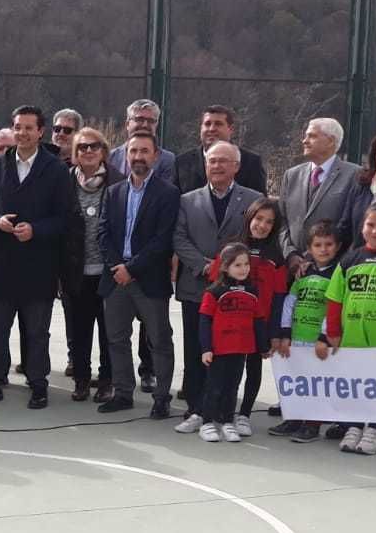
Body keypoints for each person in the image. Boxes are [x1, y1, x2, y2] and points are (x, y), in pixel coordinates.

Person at [0, 106, 77, 409]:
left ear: (40, 132)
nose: (22, 133)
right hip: (1, 266)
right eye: (18, 127)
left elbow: (65, 218)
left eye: (29, 128)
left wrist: (37, 230)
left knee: (36, 332)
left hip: (39, 267)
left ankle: (38, 384)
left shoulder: (56, 169)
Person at [315, 199, 376, 454]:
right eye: (370, 224)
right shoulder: (350, 259)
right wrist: (333, 332)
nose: (375, 231)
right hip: (352, 339)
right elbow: (335, 298)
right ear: (362, 227)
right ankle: (354, 426)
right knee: (355, 384)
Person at [172, 141, 257, 433]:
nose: (217, 166)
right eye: (212, 161)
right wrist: (207, 267)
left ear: (237, 166)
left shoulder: (253, 200)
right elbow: (179, 238)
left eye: (224, 161)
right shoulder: (187, 200)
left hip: (236, 294)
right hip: (196, 286)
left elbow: (255, 238)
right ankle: (195, 409)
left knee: (230, 356)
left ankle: (223, 413)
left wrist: (229, 269)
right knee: (197, 349)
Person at [96, 132, 180, 419]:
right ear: (126, 155)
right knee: (117, 338)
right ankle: (122, 393)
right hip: (115, 278)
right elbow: (103, 233)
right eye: (133, 151)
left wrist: (131, 269)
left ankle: (161, 398)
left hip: (148, 279)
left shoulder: (168, 193)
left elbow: (163, 240)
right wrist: (117, 266)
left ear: (155, 155)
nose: (138, 157)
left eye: (144, 151)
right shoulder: (114, 191)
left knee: (159, 339)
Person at [209, 196, 287, 436]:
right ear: (249, 217)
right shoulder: (230, 249)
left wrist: (274, 332)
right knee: (225, 372)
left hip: (258, 324)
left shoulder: (276, 257)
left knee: (253, 368)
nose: (262, 225)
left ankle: (244, 414)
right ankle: (215, 414)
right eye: (258, 218)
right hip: (231, 324)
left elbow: (279, 298)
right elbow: (214, 285)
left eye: (269, 222)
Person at [268, 220, 342, 440]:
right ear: (309, 249)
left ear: (337, 247)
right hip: (297, 338)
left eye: (328, 244)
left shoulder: (337, 274)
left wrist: (324, 336)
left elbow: (334, 308)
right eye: (318, 245)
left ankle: (312, 425)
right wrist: (285, 332)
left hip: (317, 342)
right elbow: (290, 303)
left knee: (316, 383)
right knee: (296, 380)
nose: (323, 249)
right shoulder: (303, 273)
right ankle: (293, 418)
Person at [197, 243, 264, 444]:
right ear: (225, 267)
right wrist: (206, 348)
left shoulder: (252, 291)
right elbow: (204, 321)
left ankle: (227, 421)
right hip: (219, 350)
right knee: (214, 387)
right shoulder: (214, 291)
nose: (243, 269)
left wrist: (263, 346)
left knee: (232, 386)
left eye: (246, 264)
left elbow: (259, 320)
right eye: (237, 265)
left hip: (240, 349)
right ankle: (207, 422)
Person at [62, 127, 111, 401]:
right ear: (75, 154)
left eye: (94, 146)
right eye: (82, 147)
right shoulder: (65, 181)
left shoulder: (117, 182)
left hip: (106, 272)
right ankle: (81, 380)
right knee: (79, 332)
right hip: (75, 271)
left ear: (103, 151)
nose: (88, 151)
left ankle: (106, 381)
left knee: (108, 332)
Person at [278, 117, 359, 265]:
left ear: (330, 141)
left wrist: (318, 256)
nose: (304, 141)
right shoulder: (291, 175)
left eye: (312, 136)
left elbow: (353, 224)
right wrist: (290, 254)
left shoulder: (354, 175)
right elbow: (282, 220)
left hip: (334, 268)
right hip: (293, 270)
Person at [175, 105, 267, 196]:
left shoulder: (251, 163)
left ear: (231, 129)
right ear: (201, 128)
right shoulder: (182, 163)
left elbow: (260, 205)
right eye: (207, 124)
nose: (212, 129)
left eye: (218, 124)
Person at [106, 99, 177, 184]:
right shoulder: (110, 158)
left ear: (156, 125)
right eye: (140, 119)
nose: (145, 125)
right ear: (127, 124)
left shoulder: (168, 160)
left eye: (151, 121)